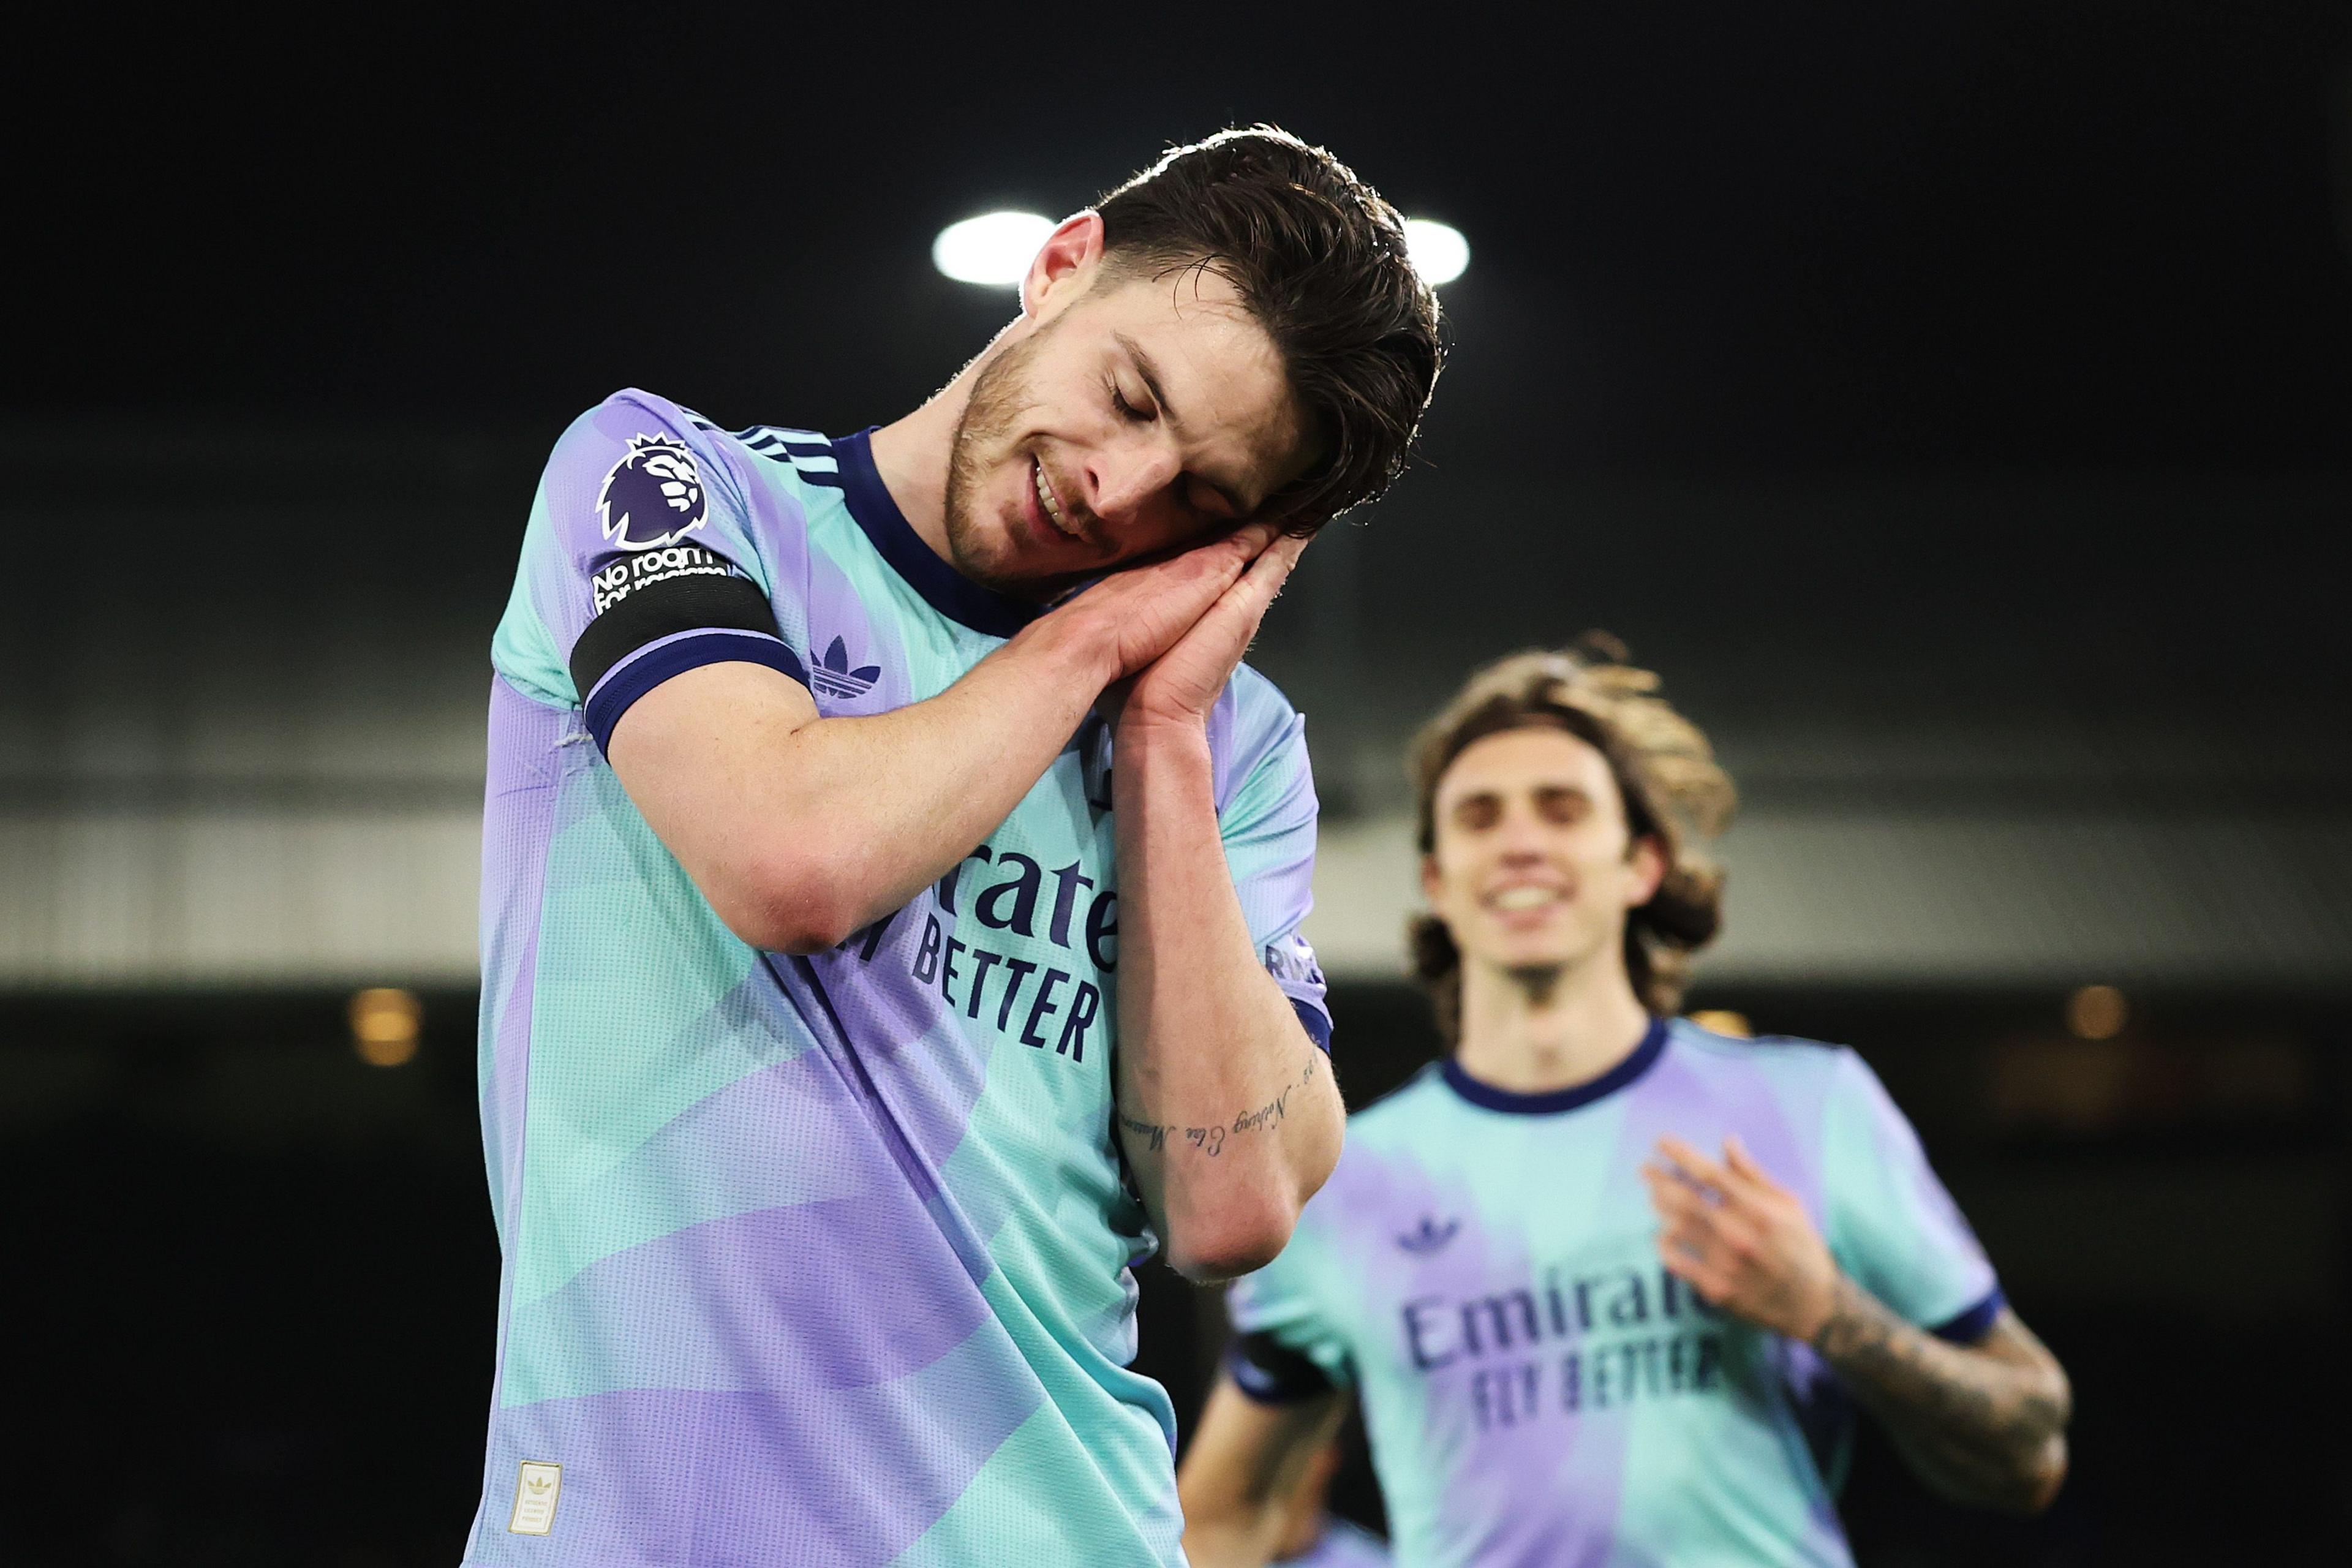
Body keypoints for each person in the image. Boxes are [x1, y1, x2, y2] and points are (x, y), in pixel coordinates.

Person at [463, 128, 1443, 1567]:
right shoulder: (669, 483)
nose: (1123, 490)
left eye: (1201, 505)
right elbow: (791, 858)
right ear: (1059, 267)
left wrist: (1164, 732)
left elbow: (1231, 1204)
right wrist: (1097, 636)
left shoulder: (1234, 747)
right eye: (1129, 396)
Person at [1179, 647, 2071, 1567]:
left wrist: (1826, 1309)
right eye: (1480, 818)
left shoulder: (1808, 1103)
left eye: (1562, 810)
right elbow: (1223, 1520)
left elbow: (2029, 1448)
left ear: (1641, 863)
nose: (1520, 841)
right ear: (1439, 882)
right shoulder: (1345, 1180)